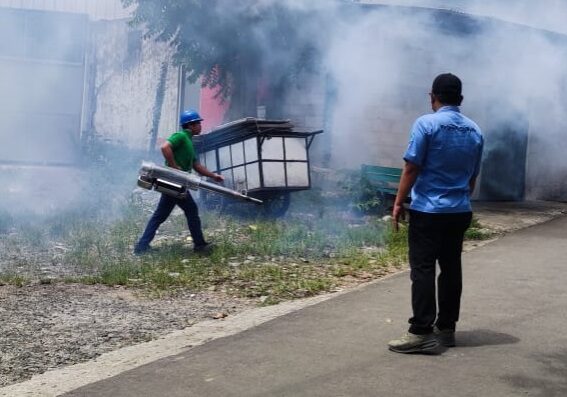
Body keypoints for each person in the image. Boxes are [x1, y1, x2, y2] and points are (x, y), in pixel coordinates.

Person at [388, 73, 484, 353]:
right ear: (461, 99)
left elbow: (411, 167)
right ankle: (446, 329)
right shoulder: (475, 130)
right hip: (459, 210)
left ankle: (420, 332)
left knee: (423, 269)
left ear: (433, 97)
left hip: (429, 211)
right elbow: (472, 177)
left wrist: (397, 203)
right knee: (451, 268)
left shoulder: (426, 124)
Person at [134, 109, 224, 255]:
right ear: (190, 125)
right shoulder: (181, 136)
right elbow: (165, 147)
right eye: (198, 123)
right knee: (189, 211)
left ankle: (142, 246)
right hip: (173, 181)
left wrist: (213, 176)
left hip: (178, 183)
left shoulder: (189, 142)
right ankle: (200, 245)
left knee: (161, 215)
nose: (200, 126)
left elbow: (196, 166)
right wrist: (174, 167)